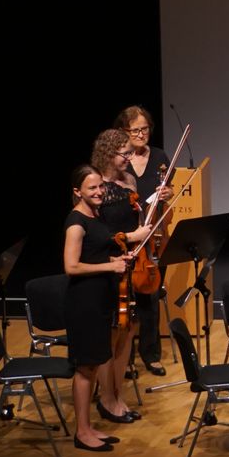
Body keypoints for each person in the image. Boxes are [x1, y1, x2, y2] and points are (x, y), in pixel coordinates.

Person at [62, 165, 149, 451]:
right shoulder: (76, 223)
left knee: (92, 365)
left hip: (100, 299)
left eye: (100, 186)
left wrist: (118, 258)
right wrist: (110, 266)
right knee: (85, 368)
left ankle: (88, 427)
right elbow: (71, 266)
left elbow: (96, 251)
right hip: (84, 303)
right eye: (92, 188)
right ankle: (82, 432)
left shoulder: (95, 215)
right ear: (78, 192)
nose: (99, 192)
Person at [90, 129, 151, 426]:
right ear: (107, 152)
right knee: (110, 334)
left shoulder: (129, 181)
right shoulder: (95, 186)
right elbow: (95, 233)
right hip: (107, 265)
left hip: (130, 265)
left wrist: (144, 233)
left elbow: (137, 220)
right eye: (124, 153)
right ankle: (106, 399)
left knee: (128, 331)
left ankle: (118, 393)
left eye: (130, 152)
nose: (129, 158)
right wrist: (132, 236)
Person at [114, 105, 173, 377]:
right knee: (124, 297)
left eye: (145, 129)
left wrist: (167, 192)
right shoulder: (119, 161)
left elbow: (167, 189)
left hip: (153, 237)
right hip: (125, 235)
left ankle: (151, 354)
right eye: (135, 130)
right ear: (123, 131)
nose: (141, 134)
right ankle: (123, 357)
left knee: (150, 294)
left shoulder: (160, 157)